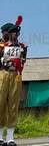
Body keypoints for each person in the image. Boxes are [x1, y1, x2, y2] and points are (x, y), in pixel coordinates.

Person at [0, 17, 26, 146]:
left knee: (13, 105)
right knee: (1, 104)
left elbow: (22, 62)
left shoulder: (22, 47)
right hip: (3, 75)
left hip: (15, 75)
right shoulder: (1, 46)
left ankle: (10, 137)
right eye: (13, 32)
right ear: (9, 34)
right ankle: (0, 136)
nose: (15, 34)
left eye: (17, 33)